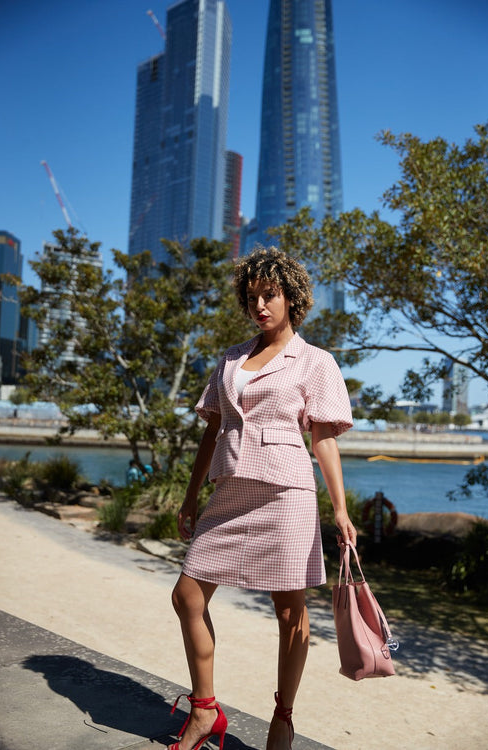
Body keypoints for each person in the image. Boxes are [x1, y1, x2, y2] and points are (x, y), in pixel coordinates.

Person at [167, 247, 357, 750]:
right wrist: (191, 496)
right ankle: (205, 710)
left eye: (269, 295)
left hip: (286, 493)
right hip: (229, 491)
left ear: (291, 297)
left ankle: (283, 718)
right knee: (187, 595)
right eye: (252, 297)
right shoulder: (231, 358)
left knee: (290, 612)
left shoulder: (316, 362)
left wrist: (340, 510)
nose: (260, 305)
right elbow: (211, 431)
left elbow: (324, 440)